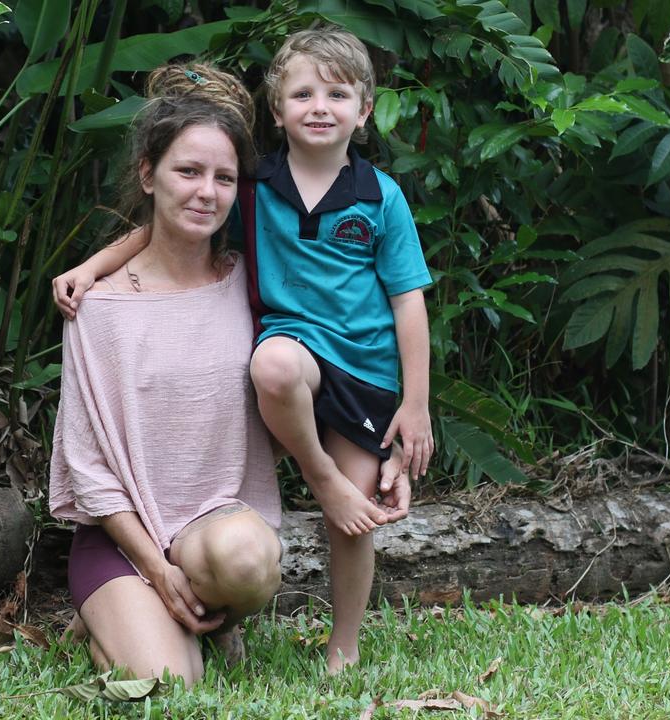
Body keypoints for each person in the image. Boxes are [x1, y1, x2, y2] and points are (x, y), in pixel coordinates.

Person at [53, 26, 432, 675]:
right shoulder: (249, 197)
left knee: (340, 511)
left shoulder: (353, 213)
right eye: (303, 92)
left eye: (338, 93)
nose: (207, 190)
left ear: (365, 110)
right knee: (172, 683)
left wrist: (413, 416)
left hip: (344, 394)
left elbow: (407, 300)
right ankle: (130, 619)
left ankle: (340, 643)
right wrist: (93, 266)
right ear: (277, 108)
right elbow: (164, 225)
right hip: (144, 523)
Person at [49, 64, 284, 686]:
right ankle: (111, 621)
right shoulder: (95, 308)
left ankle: (196, 614)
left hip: (218, 528)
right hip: (124, 546)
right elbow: (89, 473)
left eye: (224, 177)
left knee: (251, 561)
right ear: (148, 175)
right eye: (188, 171)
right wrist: (159, 573)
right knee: (170, 685)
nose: (206, 192)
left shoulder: (250, 284)